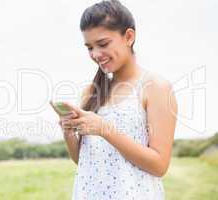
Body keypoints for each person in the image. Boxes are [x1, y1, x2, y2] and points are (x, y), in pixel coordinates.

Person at [58, 0, 178, 199]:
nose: (96, 54)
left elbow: (159, 166)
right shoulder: (91, 92)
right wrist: (68, 132)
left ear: (129, 36)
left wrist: (105, 129)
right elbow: (85, 161)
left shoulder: (156, 87)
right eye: (89, 47)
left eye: (103, 44)